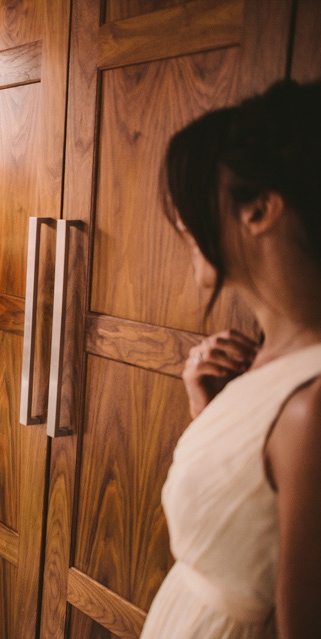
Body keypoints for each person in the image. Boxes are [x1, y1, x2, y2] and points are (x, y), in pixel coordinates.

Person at [141, 81, 321, 638]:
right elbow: (249, 516)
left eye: (193, 198)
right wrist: (208, 409)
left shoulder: (310, 407)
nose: (180, 222)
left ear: (261, 207)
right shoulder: (266, 356)